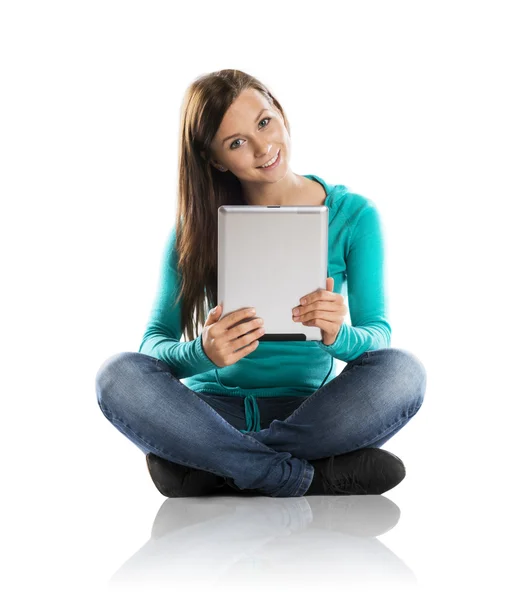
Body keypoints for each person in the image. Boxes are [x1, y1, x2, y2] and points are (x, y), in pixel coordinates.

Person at [95, 69, 427, 499]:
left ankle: (216, 468)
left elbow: (377, 338)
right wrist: (203, 353)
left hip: (308, 415)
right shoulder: (194, 228)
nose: (263, 147)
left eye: (264, 122)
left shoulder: (354, 214)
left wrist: (336, 336)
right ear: (216, 160)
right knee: (115, 376)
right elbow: (152, 344)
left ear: (281, 115)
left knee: (405, 371)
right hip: (209, 414)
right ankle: (308, 477)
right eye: (236, 143)